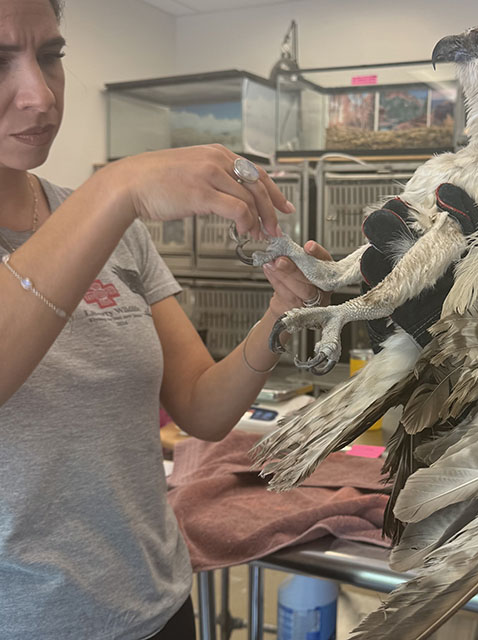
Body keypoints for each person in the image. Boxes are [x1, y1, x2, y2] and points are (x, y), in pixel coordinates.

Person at [0, 0, 330, 638]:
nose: (40, 94)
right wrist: (116, 187)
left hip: (156, 604)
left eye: (51, 55)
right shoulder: (108, 207)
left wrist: (281, 315)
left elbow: (201, 407)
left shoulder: (114, 229)